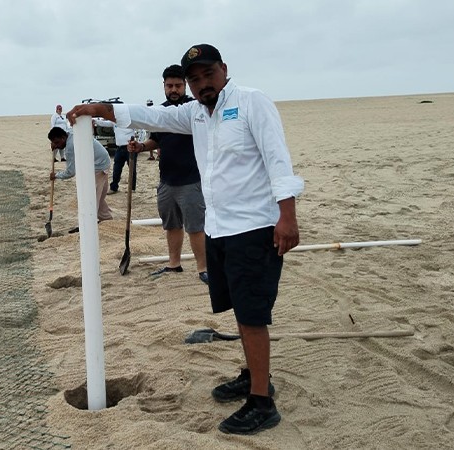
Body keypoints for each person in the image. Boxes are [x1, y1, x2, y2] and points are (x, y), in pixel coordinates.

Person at [66, 44, 304, 435]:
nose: (201, 84)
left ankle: (262, 401)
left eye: (207, 74)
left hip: (255, 227)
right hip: (220, 227)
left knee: (252, 314)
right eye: (194, 79)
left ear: (224, 70)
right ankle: (252, 375)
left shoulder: (251, 103)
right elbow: (152, 115)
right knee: (238, 310)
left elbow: (279, 160)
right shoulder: (195, 113)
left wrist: (287, 216)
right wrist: (102, 110)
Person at [128, 64, 207, 284]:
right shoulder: (160, 113)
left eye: (178, 85)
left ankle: (204, 268)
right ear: (163, 86)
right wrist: (141, 147)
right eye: (169, 85)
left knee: (196, 227)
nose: (174, 89)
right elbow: (156, 140)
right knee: (171, 225)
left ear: (185, 85)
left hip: (192, 179)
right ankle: (174, 263)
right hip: (166, 180)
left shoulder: (195, 109)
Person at [47, 127, 113, 222]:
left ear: (63, 137)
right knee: (98, 195)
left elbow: (71, 172)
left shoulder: (70, 147)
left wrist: (56, 175)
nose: (56, 146)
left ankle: (89, 223)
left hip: (98, 166)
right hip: (103, 161)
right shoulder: (70, 133)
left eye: (57, 142)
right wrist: (54, 144)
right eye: (53, 143)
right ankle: (106, 219)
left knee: (91, 199)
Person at [93, 119, 136, 194]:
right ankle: (114, 187)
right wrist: (94, 121)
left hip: (130, 147)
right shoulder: (114, 122)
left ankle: (132, 188)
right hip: (119, 147)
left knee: (132, 168)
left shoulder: (130, 121)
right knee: (116, 168)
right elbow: (104, 123)